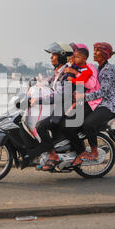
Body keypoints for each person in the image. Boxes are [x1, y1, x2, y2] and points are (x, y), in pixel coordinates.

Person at [70, 42, 115, 165]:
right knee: (76, 122)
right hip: (98, 103)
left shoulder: (108, 70)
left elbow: (102, 92)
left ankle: (94, 152)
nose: (94, 53)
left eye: (97, 51)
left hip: (108, 105)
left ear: (103, 54)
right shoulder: (99, 67)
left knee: (88, 123)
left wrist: (83, 97)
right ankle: (80, 152)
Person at [33, 42, 75, 170]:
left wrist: (39, 100)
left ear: (62, 56)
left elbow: (61, 95)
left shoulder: (67, 73)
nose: (51, 57)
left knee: (40, 126)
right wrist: (36, 84)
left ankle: (53, 156)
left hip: (64, 109)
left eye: (54, 55)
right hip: (57, 107)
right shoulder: (59, 72)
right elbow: (49, 85)